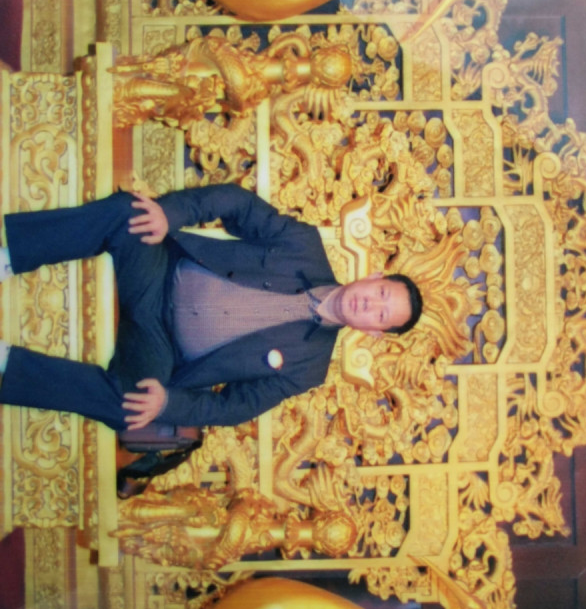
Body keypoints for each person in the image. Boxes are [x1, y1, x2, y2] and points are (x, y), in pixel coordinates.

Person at [0, 184, 423, 435]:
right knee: (131, 212)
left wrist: (168, 405)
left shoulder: (308, 368)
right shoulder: (304, 245)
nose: (370, 304)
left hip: (161, 350)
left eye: (380, 314)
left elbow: (234, 408)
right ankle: (9, 256)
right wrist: (170, 213)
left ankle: (7, 367)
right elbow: (238, 204)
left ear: (374, 332)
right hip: (160, 273)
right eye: (381, 293)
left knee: (130, 409)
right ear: (373, 277)